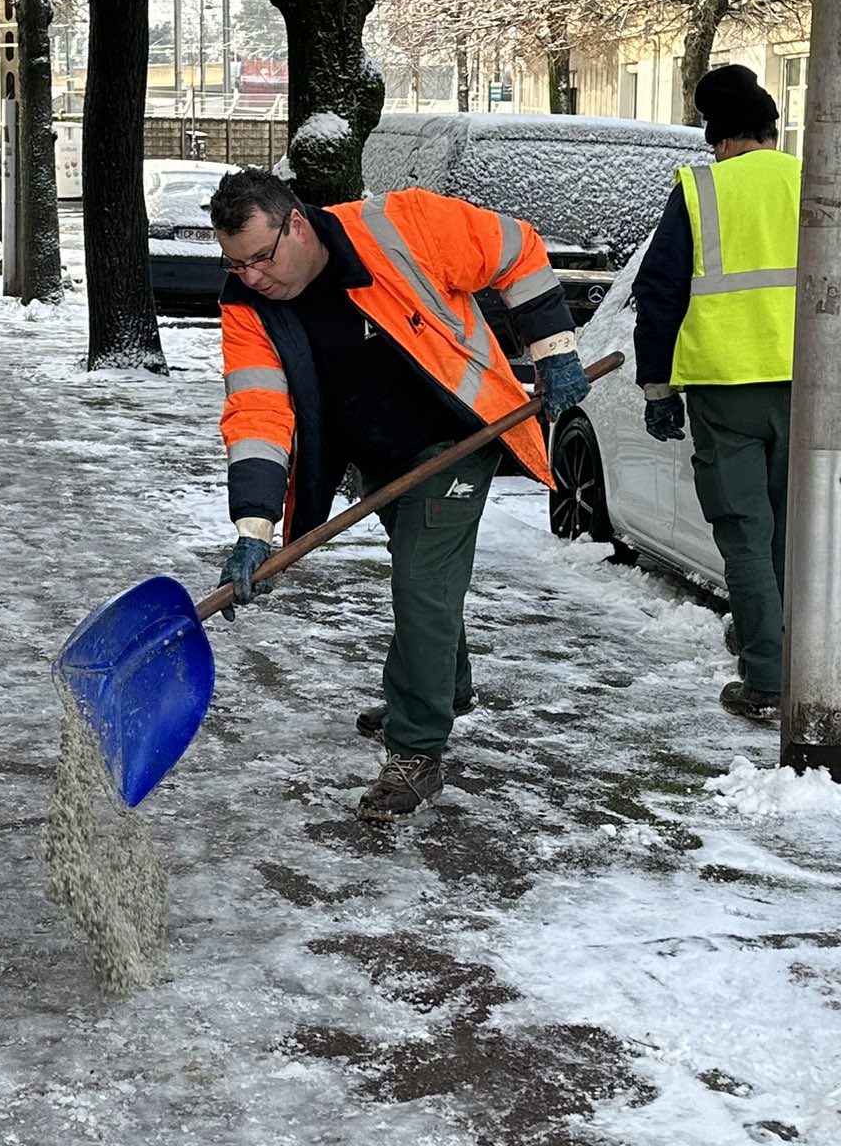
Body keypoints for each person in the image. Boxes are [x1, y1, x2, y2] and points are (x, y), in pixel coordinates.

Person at [209, 168, 589, 823]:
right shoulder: (249, 307)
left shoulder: (400, 226)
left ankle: (415, 750)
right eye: (235, 265)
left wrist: (553, 351)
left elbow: (516, 246)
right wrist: (253, 528)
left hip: (459, 435)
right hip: (377, 458)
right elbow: (258, 412)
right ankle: (443, 685)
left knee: (420, 583)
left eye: (261, 258)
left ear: (296, 223)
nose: (252, 277)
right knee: (427, 578)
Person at [632, 63, 841, 723]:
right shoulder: (816, 178)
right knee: (796, 533)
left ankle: (767, 680)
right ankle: (802, 662)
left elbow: (660, 294)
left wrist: (658, 387)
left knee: (746, 532)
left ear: (715, 136)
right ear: (771, 129)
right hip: (816, 387)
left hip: (727, 390)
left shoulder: (700, 190)